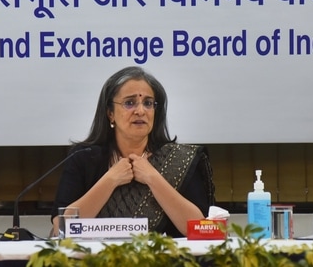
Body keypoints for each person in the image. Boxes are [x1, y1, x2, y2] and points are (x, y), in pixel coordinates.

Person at [51, 66, 215, 237]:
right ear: (110, 113)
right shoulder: (83, 157)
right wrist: (110, 180)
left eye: (148, 103)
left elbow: (202, 230)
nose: (140, 111)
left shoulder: (178, 160)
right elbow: (61, 229)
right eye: (129, 103)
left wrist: (153, 178)